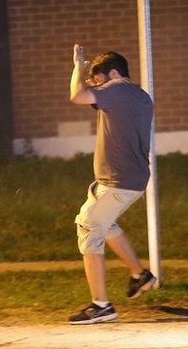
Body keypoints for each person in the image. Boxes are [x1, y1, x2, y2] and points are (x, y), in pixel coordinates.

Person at [67, 46, 156, 325]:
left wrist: (79, 67)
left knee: (89, 227)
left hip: (120, 181)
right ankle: (140, 275)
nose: (95, 88)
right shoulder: (138, 95)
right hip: (121, 180)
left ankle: (101, 305)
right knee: (104, 224)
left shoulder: (117, 89)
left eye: (98, 81)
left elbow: (77, 96)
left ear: (114, 74)